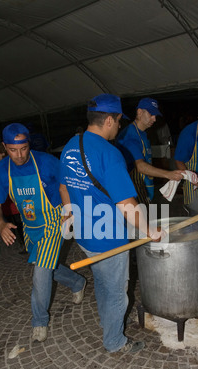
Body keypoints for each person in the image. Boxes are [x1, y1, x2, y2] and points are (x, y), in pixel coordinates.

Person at [59, 94, 163, 354]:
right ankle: (115, 341)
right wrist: (149, 230)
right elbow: (126, 205)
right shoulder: (110, 153)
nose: (119, 126)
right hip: (109, 238)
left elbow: (63, 187)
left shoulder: (71, 145)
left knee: (103, 282)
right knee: (117, 290)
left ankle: (109, 323)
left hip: (84, 235)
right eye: (118, 120)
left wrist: (69, 213)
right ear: (108, 120)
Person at [0, 123, 86, 343]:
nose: (20, 155)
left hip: (54, 220)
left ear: (28, 144)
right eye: (13, 150)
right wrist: (0, 223)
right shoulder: (2, 170)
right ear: (5, 147)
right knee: (45, 266)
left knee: (41, 270)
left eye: (23, 148)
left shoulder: (46, 162)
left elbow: (67, 184)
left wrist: (69, 211)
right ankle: (76, 282)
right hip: (30, 224)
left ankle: (39, 321)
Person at [116, 97, 183, 207]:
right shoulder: (129, 136)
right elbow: (140, 166)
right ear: (139, 112)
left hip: (146, 191)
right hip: (135, 195)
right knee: (142, 224)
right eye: (151, 114)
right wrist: (168, 174)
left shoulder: (144, 134)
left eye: (155, 115)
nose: (154, 119)